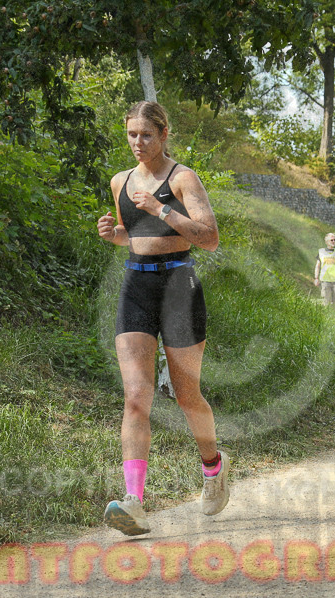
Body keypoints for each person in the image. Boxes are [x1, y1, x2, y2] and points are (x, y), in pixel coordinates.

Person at [96, 101, 228, 536]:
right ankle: (134, 501)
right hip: (136, 286)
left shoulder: (183, 178)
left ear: (164, 133)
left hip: (178, 287)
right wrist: (114, 234)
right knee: (136, 394)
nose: (138, 143)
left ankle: (212, 467)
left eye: (146, 135)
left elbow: (208, 238)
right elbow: (132, 236)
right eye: (132, 135)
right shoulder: (120, 181)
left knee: (188, 394)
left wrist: (161, 209)